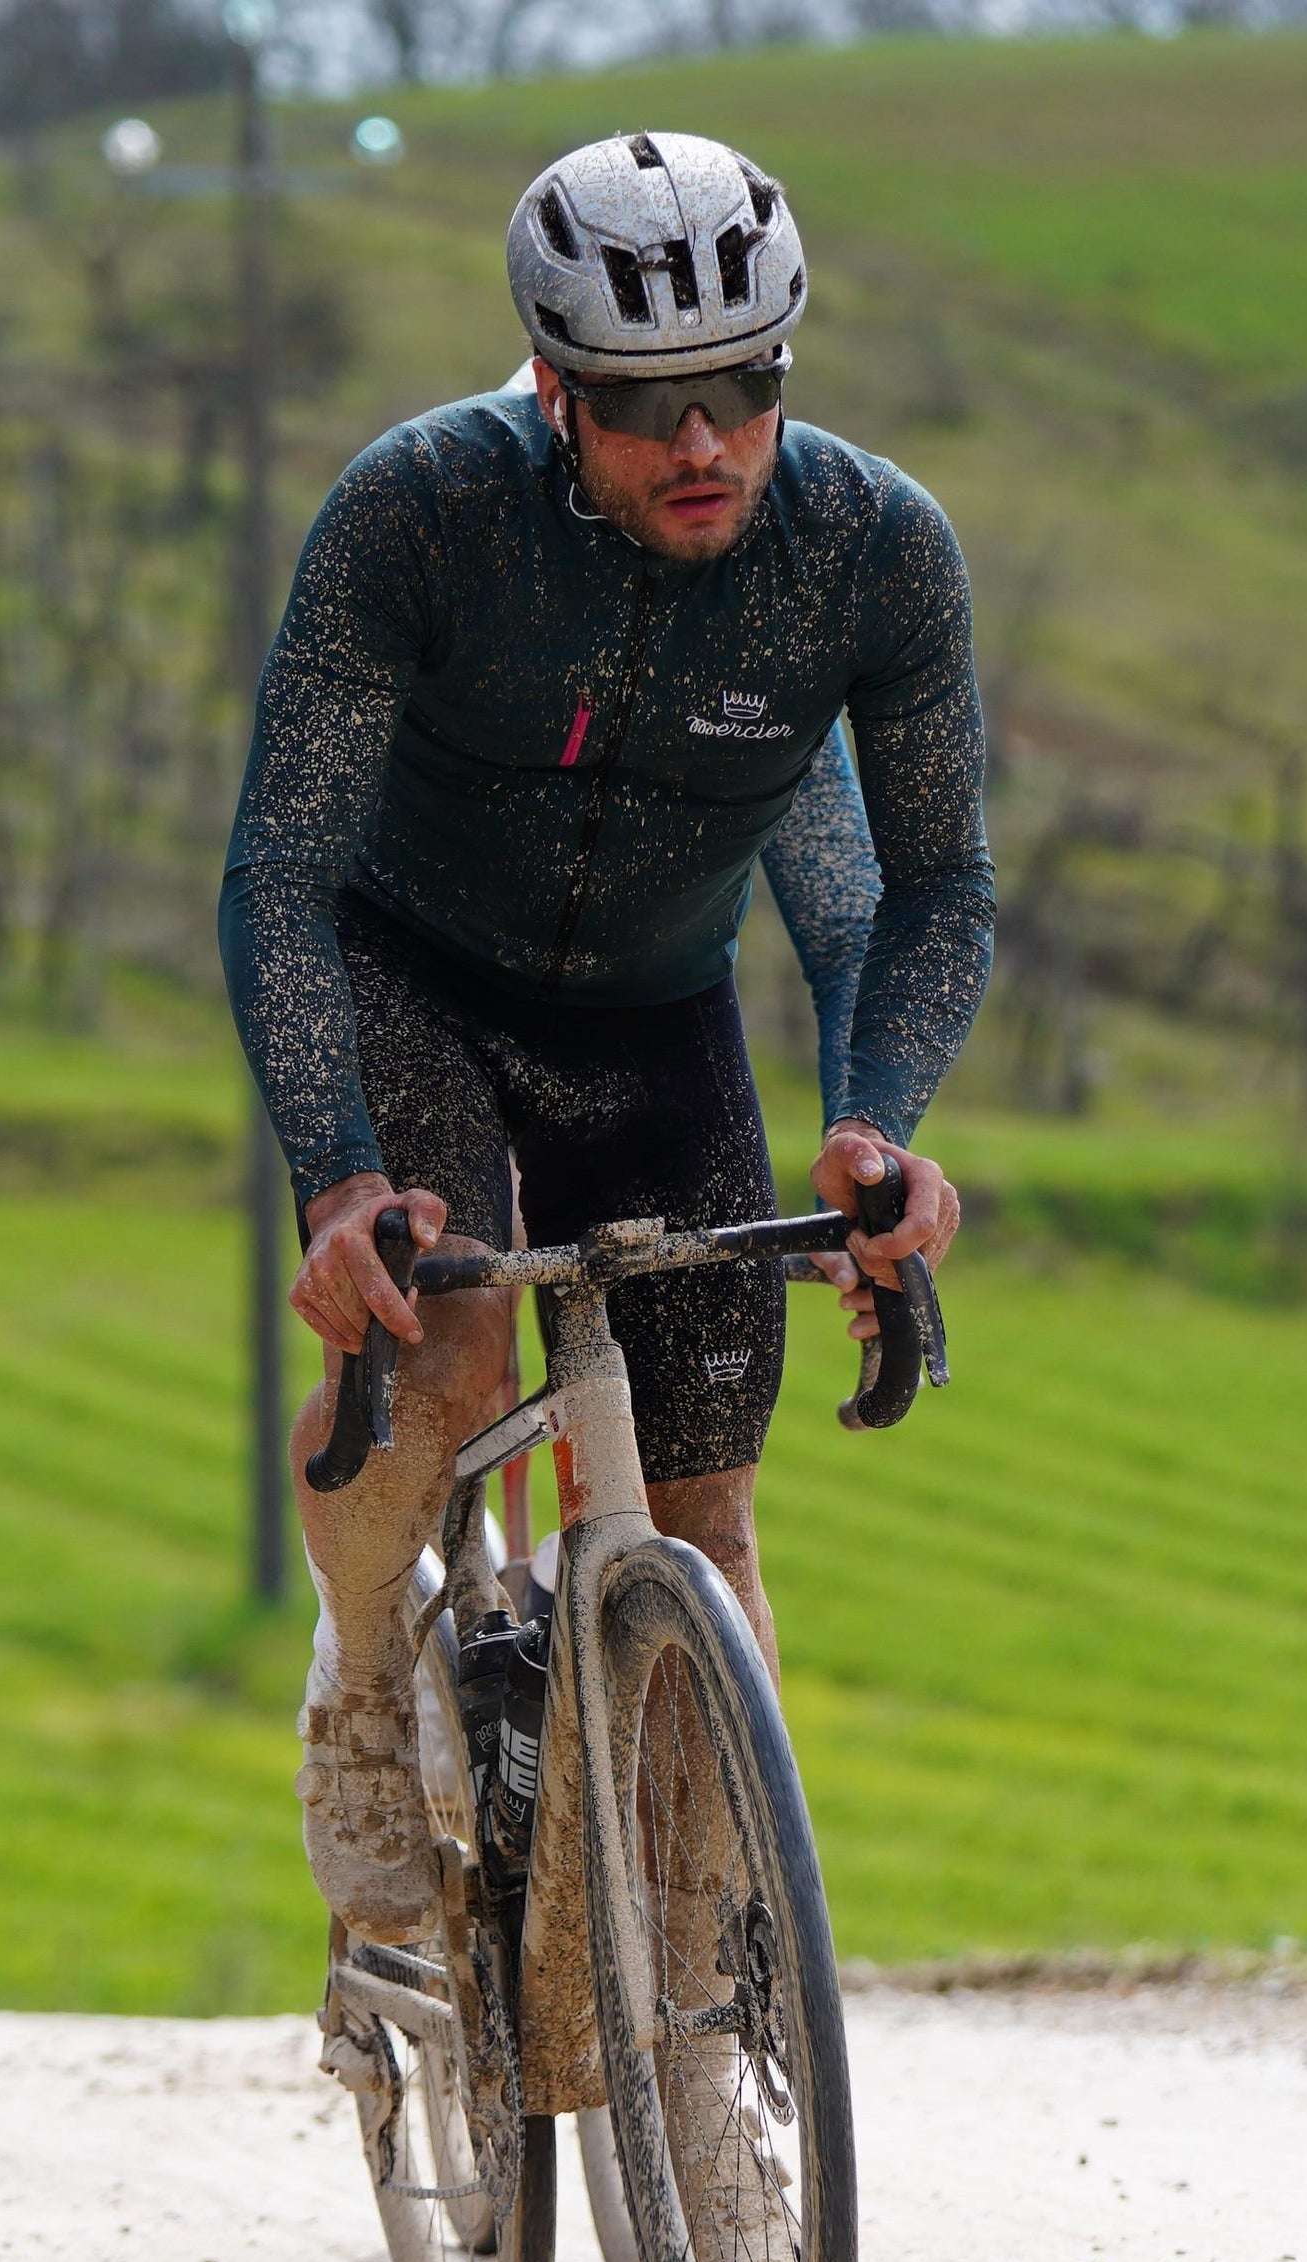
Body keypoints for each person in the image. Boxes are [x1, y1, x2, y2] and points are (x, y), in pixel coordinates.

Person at [219, 126, 989, 1936]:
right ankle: (353, 1681)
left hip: (656, 1020)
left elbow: (924, 882)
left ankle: (711, 2025)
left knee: (709, 1526)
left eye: (740, 386)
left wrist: (879, 1123)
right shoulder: (423, 509)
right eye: (648, 405)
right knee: (457, 1345)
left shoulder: (867, 552)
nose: (702, 441)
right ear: (555, 392)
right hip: (414, 970)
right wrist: (338, 1180)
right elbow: (279, 867)